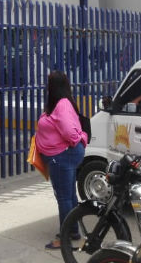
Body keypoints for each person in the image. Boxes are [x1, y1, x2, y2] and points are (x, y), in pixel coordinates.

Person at [36, 71, 88, 250]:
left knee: (64, 197)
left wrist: (78, 138)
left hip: (62, 156)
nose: (46, 87)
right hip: (60, 156)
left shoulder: (62, 105)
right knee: (69, 195)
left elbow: (69, 132)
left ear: (54, 86)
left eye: (49, 83)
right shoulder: (58, 104)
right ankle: (72, 230)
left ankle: (65, 236)